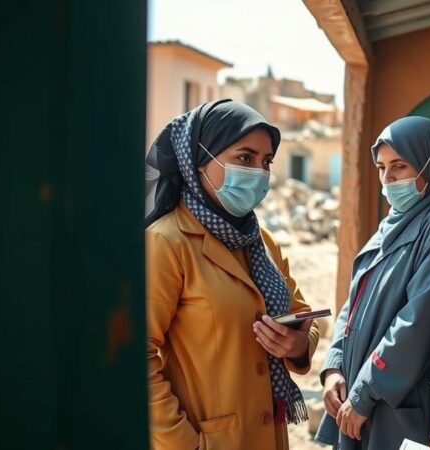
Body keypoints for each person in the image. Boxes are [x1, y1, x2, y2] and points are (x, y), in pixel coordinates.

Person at [145, 99, 320, 450]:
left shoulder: (261, 242)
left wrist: (299, 345)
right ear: (199, 160)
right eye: (245, 158)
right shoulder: (167, 242)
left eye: (266, 161)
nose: (259, 172)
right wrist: (183, 443)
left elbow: (305, 317)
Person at [314, 116, 430, 450]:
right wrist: (334, 366)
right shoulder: (390, 226)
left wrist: (364, 391)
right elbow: (354, 302)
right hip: (359, 395)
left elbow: (416, 322)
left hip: (396, 400)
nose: (388, 179)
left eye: (399, 166)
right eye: (382, 167)